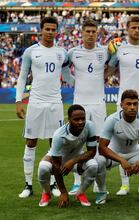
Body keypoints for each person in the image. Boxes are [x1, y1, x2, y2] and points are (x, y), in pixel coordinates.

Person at [16, 16, 70, 198]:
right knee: (31, 142)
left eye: (53, 29)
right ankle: (28, 185)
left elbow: (68, 78)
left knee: (55, 144)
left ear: (57, 31)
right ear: (41, 30)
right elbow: (22, 77)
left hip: (55, 103)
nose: (50, 32)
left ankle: (54, 183)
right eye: (47, 29)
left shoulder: (62, 53)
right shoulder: (31, 52)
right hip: (36, 103)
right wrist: (18, 101)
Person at [108, 15, 139, 196]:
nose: (136, 31)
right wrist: (109, 54)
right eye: (133, 27)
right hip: (124, 101)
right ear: (127, 28)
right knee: (121, 143)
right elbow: (109, 70)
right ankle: (124, 185)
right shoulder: (118, 48)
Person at [95, 90, 139, 204]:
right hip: (115, 155)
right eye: (128, 104)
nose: (132, 107)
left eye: (135, 104)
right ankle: (102, 192)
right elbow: (102, 148)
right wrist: (121, 160)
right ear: (121, 105)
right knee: (99, 161)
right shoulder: (112, 120)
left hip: (135, 153)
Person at [67, 19, 109, 195]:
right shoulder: (72, 52)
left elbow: (113, 66)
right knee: (77, 143)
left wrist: (105, 77)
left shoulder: (105, 51)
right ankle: (77, 182)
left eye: (94, 31)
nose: (91, 34)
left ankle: (100, 185)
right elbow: (63, 70)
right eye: (88, 31)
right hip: (80, 103)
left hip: (99, 103)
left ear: (97, 33)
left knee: (100, 143)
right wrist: (74, 83)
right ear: (82, 33)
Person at [37, 104, 98, 207]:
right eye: (76, 119)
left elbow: (92, 151)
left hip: (75, 160)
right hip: (58, 160)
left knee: (93, 165)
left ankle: (80, 193)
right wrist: (63, 192)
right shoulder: (59, 135)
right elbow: (56, 165)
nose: (80, 122)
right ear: (69, 119)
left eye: (83, 119)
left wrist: (73, 161)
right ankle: (47, 193)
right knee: (43, 167)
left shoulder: (90, 126)